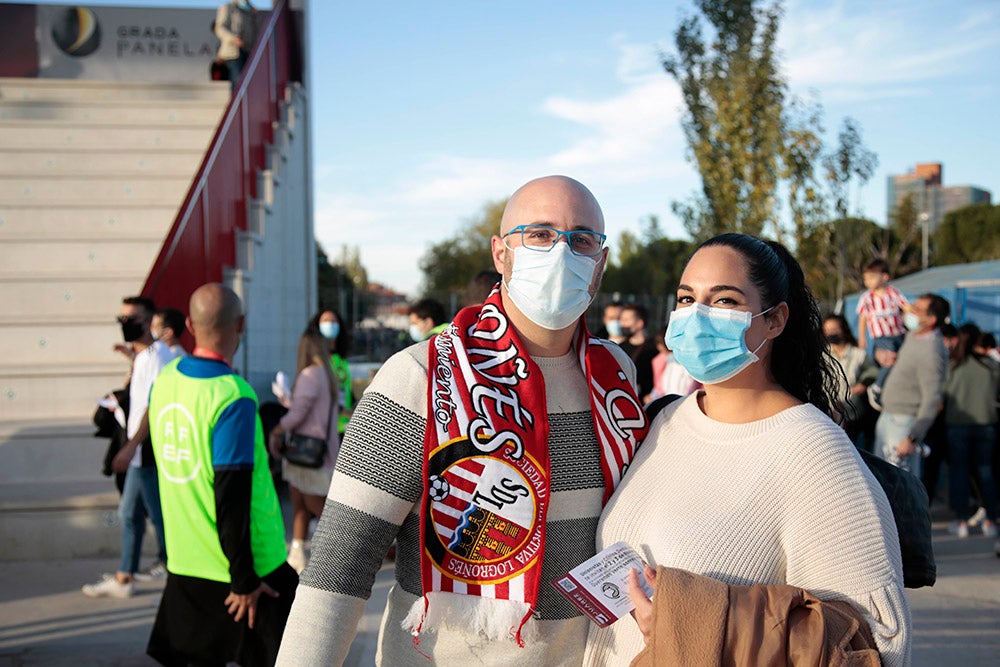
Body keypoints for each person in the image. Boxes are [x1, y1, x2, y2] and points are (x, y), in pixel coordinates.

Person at [275, 175, 648, 665]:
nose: (561, 252)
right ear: (501, 253)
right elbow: (339, 567)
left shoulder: (614, 375)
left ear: (599, 262)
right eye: (539, 234)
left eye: (581, 239)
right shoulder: (421, 376)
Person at [584, 233, 910, 667]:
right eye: (686, 298)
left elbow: (880, 640)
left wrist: (701, 625)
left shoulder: (813, 453)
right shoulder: (666, 421)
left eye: (724, 301)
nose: (696, 316)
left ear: (774, 320)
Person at [146, 283, 297, 666]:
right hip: (249, 570)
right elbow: (231, 494)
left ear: (190, 327)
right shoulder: (234, 396)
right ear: (240, 325)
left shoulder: (165, 380)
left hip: (185, 559)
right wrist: (244, 578)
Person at [83, 296, 178, 598]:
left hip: (147, 448)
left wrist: (131, 446)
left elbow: (155, 405)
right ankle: (128, 576)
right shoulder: (144, 357)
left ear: (149, 321)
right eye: (122, 319)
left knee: (155, 516)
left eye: (132, 319)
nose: (125, 324)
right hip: (139, 449)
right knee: (133, 513)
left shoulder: (158, 356)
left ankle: (174, 570)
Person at [268, 330, 340, 573]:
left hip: (307, 453)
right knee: (300, 501)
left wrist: (278, 429)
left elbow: (298, 414)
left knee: (314, 505)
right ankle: (297, 553)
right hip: (320, 450)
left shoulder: (310, 374)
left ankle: (339, 555)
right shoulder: (327, 374)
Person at [874, 293, 949, 477]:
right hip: (890, 417)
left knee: (897, 483)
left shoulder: (932, 352)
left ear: (931, 319)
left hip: (904, 424)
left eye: (916, 309)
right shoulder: (914, 336)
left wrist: (912, 437)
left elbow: (932, 399)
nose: (909, 311)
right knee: (881, 478)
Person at [943, 323, 999, 539]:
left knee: (959, 472)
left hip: (957, 424)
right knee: (986, 472)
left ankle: (961, 520)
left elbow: (944, 392)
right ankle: (991, 520)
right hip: (986, 423)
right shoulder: (991, 367)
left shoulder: (954, 366)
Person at [856, 258, 911, 406]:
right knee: (890, 359)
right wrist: (862, 337)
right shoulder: (866, 298)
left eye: (871, 277)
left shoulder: (893, 293)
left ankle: (892, 388)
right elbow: (862, 319)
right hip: (881, 337)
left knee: (899, 361)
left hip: (899, 333)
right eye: (865, 278)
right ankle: (878, 386)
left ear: (885, 277)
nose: (868, 281)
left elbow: (906, 307)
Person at [823, 314, 876, 446]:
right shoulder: (823, 356)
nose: (831, 333)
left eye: (834, 329)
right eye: (827, 330)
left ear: (843, 330)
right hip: (831, 413)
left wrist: (863, 384)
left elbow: (873, 371)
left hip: (854, 412)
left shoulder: (859, 354)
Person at [307, 309, 353, 436]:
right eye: (326, 321)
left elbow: (346, 389)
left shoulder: (341, 360)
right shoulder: (318, 361)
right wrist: (342, 410)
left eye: (334, 321)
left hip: (343, 427)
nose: (330, 324)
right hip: (324, 426)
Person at [617, 303, 659, 402]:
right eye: (621, 320)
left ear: (640, 323)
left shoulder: (654, 348)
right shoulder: (620, 348)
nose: (622, 324)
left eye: (626, 320)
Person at [214, 0, 258, 90]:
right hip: (233, 51)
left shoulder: (250, 11)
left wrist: (255, 14)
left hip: (248, 50)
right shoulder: (227, 7)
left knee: (249, 81)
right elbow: (219, 28)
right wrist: (232, 38)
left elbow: (256, 30)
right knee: (237, 79)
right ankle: (236, 103)